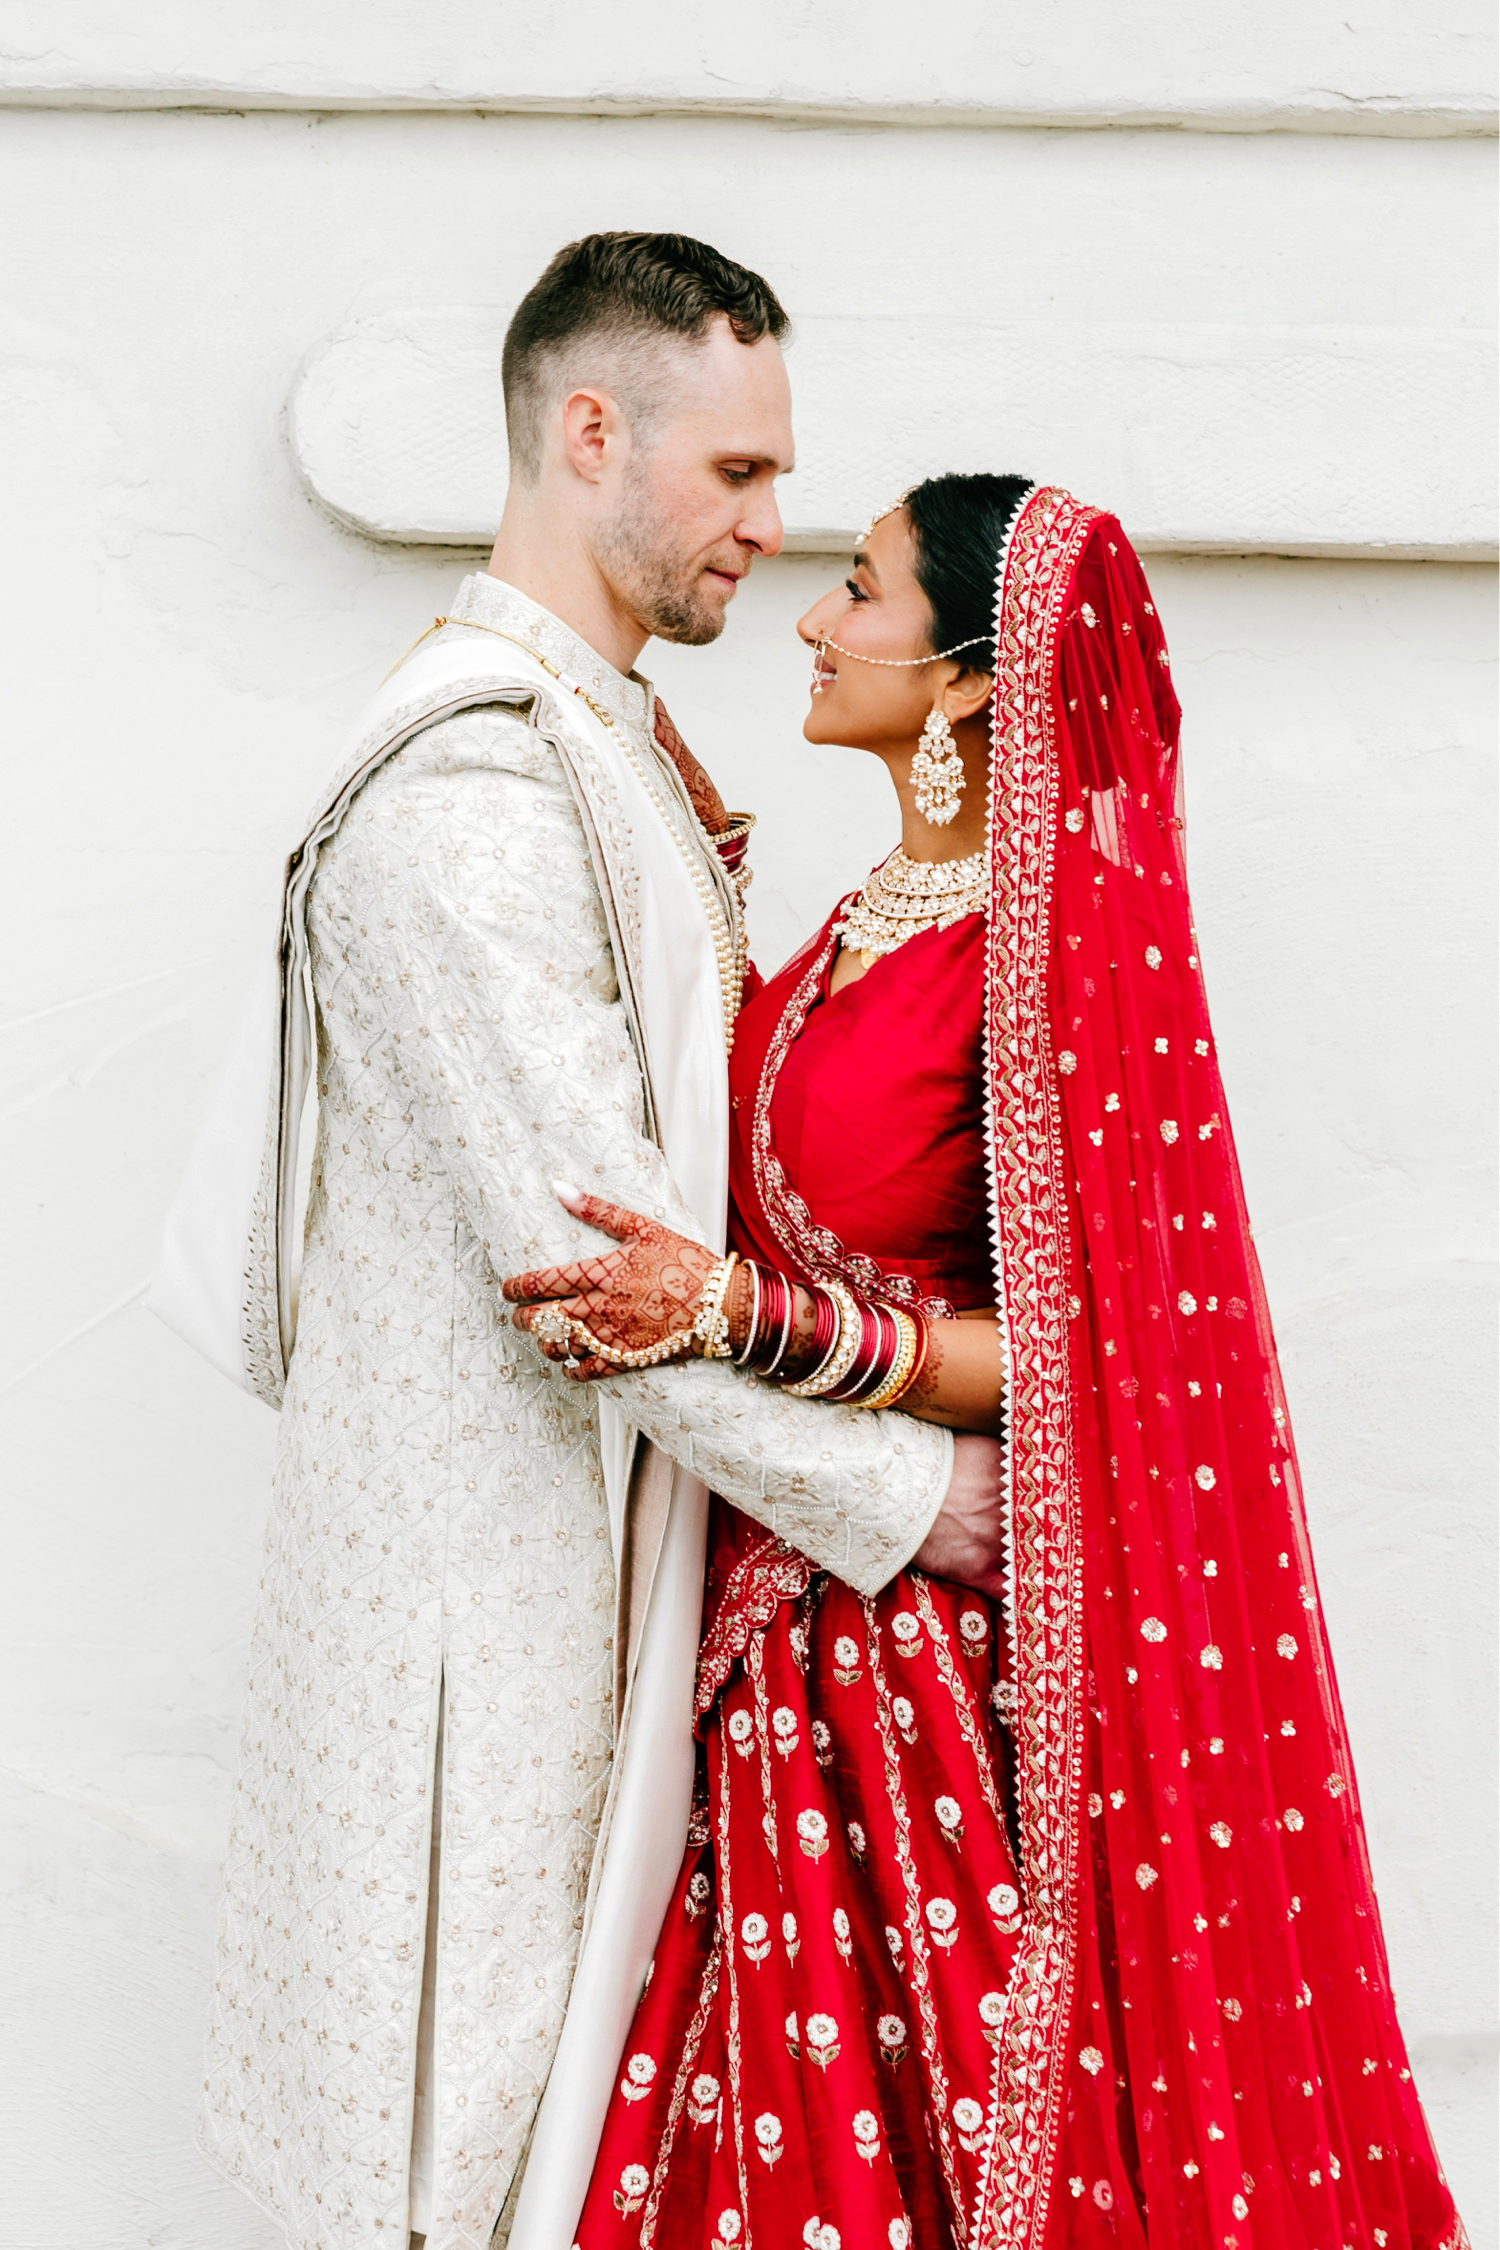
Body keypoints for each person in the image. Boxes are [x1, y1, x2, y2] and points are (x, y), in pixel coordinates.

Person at [146, 238, 1009, 2250]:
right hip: (488, 1654)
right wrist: (911, 1494)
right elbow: (588, 1281)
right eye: (734, 474)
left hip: (604, 1611)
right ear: (588, 429)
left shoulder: (591, 745)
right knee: (475, 2179)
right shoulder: (473, 788)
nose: (769, 531)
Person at [505, 476, 1468, 2249]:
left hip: (925, 1652)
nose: (810, 618)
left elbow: (1089, 1348)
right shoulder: (866, 916)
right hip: (769, 1615)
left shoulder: (1039, 956)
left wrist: (750, 1317)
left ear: (962, 673)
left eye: (857, 589)